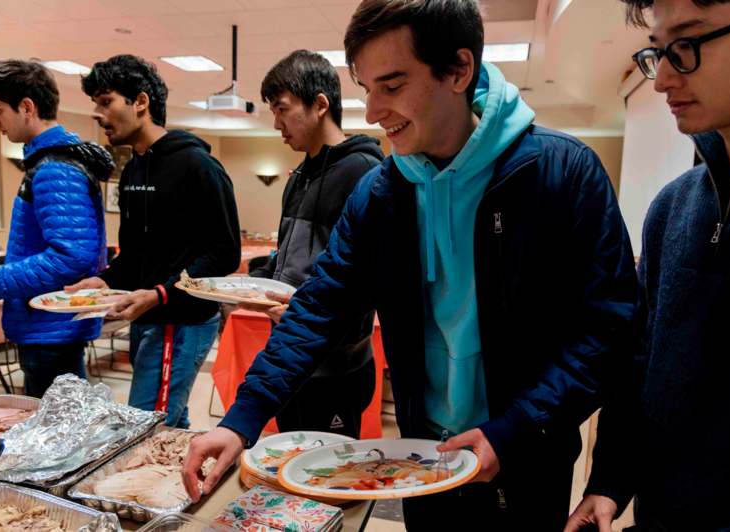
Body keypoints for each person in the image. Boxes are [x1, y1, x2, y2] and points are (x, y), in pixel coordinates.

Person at [183, 1, 637, 529]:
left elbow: (607, 329)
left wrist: (514, 429)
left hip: (525, 452)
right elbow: (319, 308)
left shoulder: (561, 172)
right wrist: (241, 420)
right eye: (367, 87)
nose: (373, 111)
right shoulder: (381, 194)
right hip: (422, 456)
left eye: (393, 86)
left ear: (458, 70)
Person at [566, 1, 730, 531]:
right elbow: (641, 361)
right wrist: (610, 483)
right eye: (658, 52)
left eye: (686, 46)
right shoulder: (673, 207)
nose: (661, 79)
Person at [69, 55, 241, 428]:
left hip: (182, 322)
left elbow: (225, 253)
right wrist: (106, 280)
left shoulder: (198, 166)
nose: (98, 114)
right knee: (168, 421)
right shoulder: (132, 169)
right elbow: (134, 257)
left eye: (105, 101)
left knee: (146, 425)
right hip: (148, 317)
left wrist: (161, 293)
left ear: (141, 102)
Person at [248, 49, 384, 438]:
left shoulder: (365, 172)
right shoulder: (298, 176)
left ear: (320, 104)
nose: (276, 123)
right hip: (289, 355)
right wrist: (259, 282)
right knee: (289, 466)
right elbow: (290, 256)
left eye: (282, 108)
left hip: (337, 364)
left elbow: (365, 278)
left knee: (329, 480)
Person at [0, 60, 111, 398]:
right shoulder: (51, 160)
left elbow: (70, 257)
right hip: (46, 327)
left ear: (26, 107)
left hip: (50, 331)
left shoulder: (54, 167)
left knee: (58, 440)